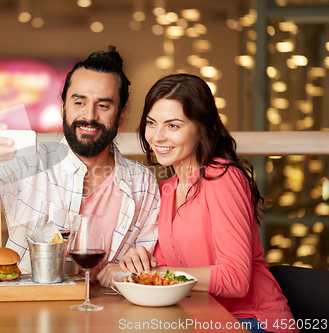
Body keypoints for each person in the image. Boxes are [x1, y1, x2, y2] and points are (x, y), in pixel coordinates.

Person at [0, 46, 159, 283]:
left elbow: (145, 263)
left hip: (112, 311)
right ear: (63, 107)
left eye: (103, 106)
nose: (90, 116)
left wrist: (130, 271)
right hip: (31, 311)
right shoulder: (30, 160)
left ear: (121, 116)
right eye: (79, 103)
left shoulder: (143, 182)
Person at [120, 74, 297, 333]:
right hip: (201, 320)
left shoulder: (222, 176)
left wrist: (159, 275)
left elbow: (235, 279)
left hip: (252, 321)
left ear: (201, 127)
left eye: (173, 126)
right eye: (151, 123)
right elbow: (166, 267)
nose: (157, 137)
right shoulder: (166, 189)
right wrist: (140, 260)